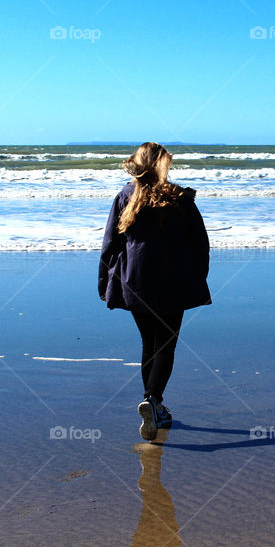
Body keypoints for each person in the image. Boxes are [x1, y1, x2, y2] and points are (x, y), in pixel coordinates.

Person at [98, 142, 211, 441]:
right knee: (166, 344)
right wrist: (198, 277)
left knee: (149, 343)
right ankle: (153, 401)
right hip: (173, 281)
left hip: (134, 281)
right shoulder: (180, 198)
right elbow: (200, 244)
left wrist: (104, 283)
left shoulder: (125, 196)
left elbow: (110, 244)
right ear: (164, 165)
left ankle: (152, 402)